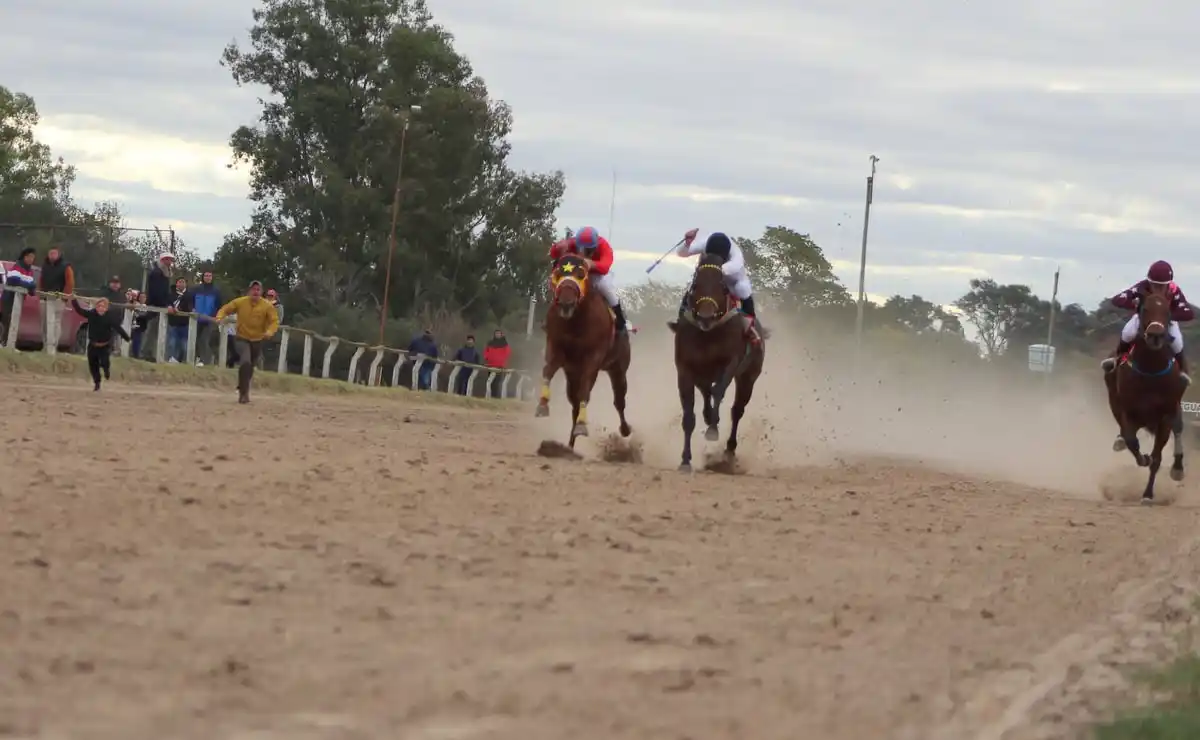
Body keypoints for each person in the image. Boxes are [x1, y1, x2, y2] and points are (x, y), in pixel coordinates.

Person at [1101, 259, 1195, 384]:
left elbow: (1188, 313)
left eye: (1161, 286)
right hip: (1144, 319)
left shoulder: (1174, 290)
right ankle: (1116, 358)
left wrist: (1165, 315)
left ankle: (1182, 370)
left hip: (1167, 322)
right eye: (1154, 285)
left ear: (1168, 284)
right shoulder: (1141, 287)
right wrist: (1133, 304)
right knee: (1128, 332)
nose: (1157, 289)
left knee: (1177, 341)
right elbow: (1117, 299)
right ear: (1149, 281)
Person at [668, 229, 767, 343]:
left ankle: (750, 327)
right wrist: (687, 243)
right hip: (709, 276)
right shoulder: (705, 243)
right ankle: (680, 321)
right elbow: (682, 253)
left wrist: (714, 269)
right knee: (692, 287)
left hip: (732, 280)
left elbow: (732, 268)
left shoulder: (736, 256)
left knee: (743, 289)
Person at [548, 226, 628, 334]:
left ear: (595, 246)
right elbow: (553, 253)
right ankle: (551, 316)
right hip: (576, 274)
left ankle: (620, 320)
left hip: (597, 274)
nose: (583, 252)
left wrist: (592, 264)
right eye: (580, 248)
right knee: (557, 283)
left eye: (588, 250)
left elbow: (605, 267)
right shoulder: (571, 242)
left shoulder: (604, 246)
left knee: (606, 288)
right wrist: (557, 247)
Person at [215, 280, 280, 404]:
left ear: (261, 292)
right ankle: (243, 394)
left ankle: (243, 387)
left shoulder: (267, 306)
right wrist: (219, 317)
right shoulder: (240, 302)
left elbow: (274, 321)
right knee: (245, 362)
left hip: (257, 340)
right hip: (242, 338)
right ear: (249, 291)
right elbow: (226, 309)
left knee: (250, 367)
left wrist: (270, 332)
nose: (255, 292)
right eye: (253, 289)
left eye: (258, 289)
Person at [71, 297, 131, 391]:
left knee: (104, 362)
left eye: (103, 306)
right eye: (99, 306)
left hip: (105, 345)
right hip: (93, 345)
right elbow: (80, 311)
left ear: (106, 308)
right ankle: (97, 383)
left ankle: (106, 370)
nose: (100, 308)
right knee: (93, 365)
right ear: (96, 307)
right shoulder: (92, 314)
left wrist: (127, 338)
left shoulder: (110, 317)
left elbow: (118, 328)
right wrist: (73, 300)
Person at [38, 246, 75, 355]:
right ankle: (45, 344)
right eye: (50, 253)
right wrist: (40, 294)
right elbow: (41, 279)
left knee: (55, 322)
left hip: (58, 298)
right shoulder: (45, 266)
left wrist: (64, 296)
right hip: (45, 296)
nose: (52, 256)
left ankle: (53, 345)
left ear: (58, 254)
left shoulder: (65, 266)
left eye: (54, 253)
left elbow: (70, 282)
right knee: (45, 322)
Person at [142, 253, 174, 360]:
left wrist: (170, 304)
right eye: (167, 260)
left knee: (156, 331)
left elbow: (166, 292)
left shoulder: (164, 273)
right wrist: (166, 304)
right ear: (163, 260)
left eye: (170, 260)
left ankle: (151, 354)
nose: (170, 262)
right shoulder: (157, 273)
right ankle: (145, 353)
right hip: (155, 306)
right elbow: (157, 292)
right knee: (152, 330)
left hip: (160, 305)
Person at [1, 247, 35, 346]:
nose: (31, 259)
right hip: (9, 298)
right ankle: (3, 342)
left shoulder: (30, 271)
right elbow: (13, 280)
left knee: (14, 321)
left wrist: (28, 286)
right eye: (29, 257)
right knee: (7, 320)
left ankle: (10, 343)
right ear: (24, 257)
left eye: (33, 257)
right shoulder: (17, 266)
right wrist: (27, 285)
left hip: (19, 299)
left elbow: (33, 286)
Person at [191, 271, 222, 366]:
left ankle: (204, 360)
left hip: (210, 320)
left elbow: (219, 305)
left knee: (204, 339)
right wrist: (192, 308)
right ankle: (196, 358)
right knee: (195, 339)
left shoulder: (216, 291)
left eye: (209, 276)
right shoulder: (196, 289)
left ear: (212, 277)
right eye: (206, 276)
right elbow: (190, 301)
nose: (208, 277)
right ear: (203, 277)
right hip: (197, 319)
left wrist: (216, 316)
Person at [165, 277, 194, 363]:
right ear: (176, 283)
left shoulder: (189, 295)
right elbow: (167, 302)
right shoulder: (171, 294)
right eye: (179, 282)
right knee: (172, 342)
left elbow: (190, 306)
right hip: (173, 322)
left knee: (184, 345)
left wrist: (180, 309)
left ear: (186, 284)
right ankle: (171, 359)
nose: (181, 284)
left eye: (183, 282)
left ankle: (181, 360)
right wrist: (170, 306)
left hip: (184, 323)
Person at [484, 329, 512, 398]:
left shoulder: (504, 344)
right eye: (496, 333)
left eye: (499, 333)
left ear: (501, 334)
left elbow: (507, 353)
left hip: (500, 366)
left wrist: (502, 361)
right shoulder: (490, 343)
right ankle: (489, 396)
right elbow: (486, 351)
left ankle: (495, 396)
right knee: (490, 382)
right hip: (490, 365)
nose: (497, 335)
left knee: (497, 383)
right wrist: (487, 358)